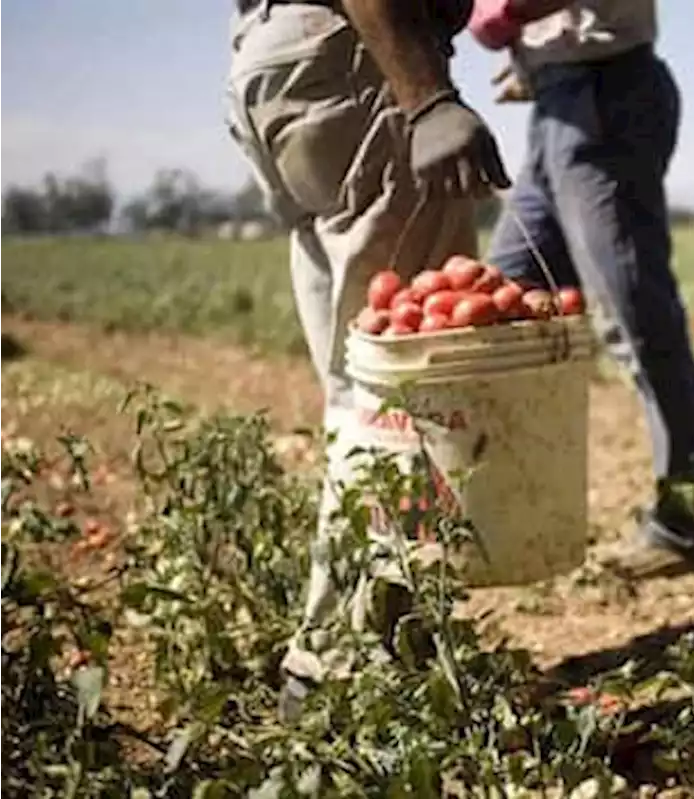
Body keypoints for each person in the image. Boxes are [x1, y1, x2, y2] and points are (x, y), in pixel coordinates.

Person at [223, 0, 510, 720]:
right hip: (360, 62)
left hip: (280, 65)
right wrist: (429, 97)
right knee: (403, 393)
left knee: (362, 389)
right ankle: (339, 668)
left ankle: (380, 644)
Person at [468, 0, 694, 579]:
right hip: (558, 100)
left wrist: (500, 14)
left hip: (606, 94)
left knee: (634, 313)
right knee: (505, 297)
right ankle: (513, 507)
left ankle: (691, 519)